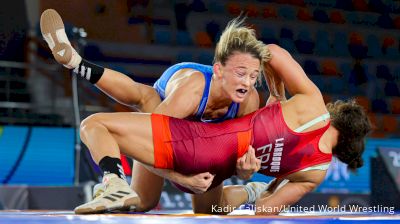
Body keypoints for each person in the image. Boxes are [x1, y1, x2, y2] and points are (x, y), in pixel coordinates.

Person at [71, 42, 371, 214]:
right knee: (208, 212)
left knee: (101, 121)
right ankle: (249, 190)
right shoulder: (315, 173)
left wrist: (278, 93)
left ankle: (113, 183)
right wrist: (259, 183)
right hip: (216, 175)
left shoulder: (314, 106)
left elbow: (270, 50)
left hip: (198, 148)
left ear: (338, 113)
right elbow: (265, 212)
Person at [40, 9, 275, 212]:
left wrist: (244, 173)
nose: (247, 82)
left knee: (210, 209)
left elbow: (234, 155)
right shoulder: (192, 90)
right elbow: (155, 144)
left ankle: (251, 192)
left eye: (254, 76)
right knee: (143, 100)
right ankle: (76, 63)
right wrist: (180, 178)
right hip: (168, 103)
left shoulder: (249, 100)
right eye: (241, 74)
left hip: (202, 137)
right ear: (218, 70)